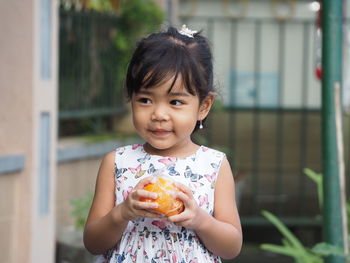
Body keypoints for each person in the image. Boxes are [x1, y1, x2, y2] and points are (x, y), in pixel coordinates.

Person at [83, 25, 242, 263]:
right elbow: (92, 243)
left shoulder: (214, 165)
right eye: (145, 99)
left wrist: (200, 219)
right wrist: (122, 213)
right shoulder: (117, 162)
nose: (159, 114)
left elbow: (231, 246)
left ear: (204, 106)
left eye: (175, 102)